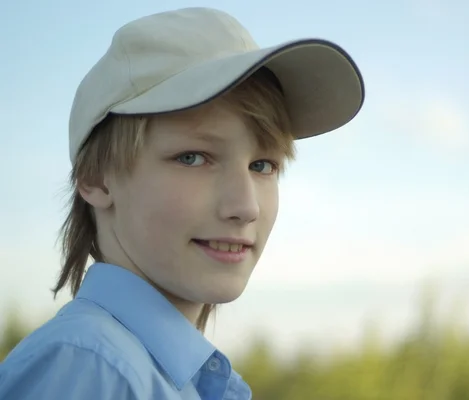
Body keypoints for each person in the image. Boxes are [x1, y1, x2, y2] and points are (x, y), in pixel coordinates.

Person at [0, 7, 364, 400]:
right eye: (193, 158)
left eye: (262, 165)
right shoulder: (91, 369)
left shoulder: (164, 376)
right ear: (96, 178)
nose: (245, 207)